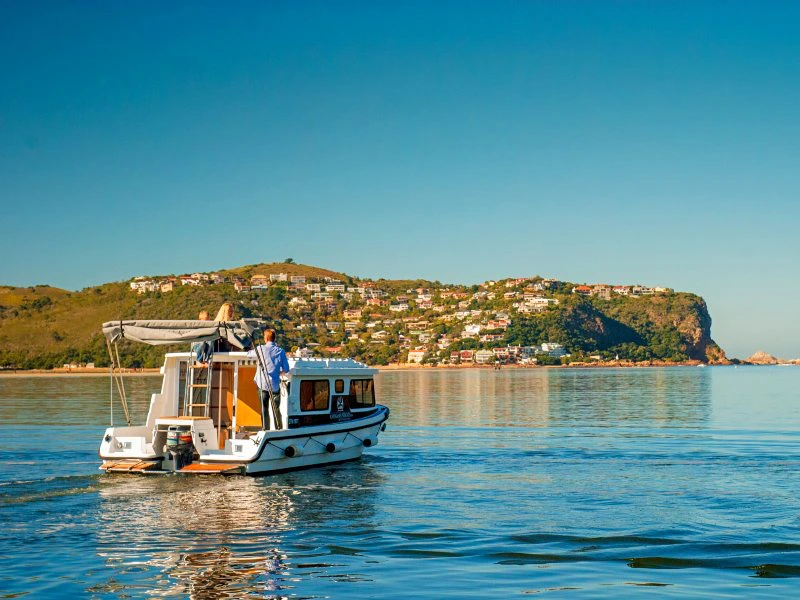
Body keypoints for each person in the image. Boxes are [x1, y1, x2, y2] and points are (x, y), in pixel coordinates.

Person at [247, 329, 290, 430]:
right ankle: (279, 429)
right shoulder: (281, 351)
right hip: (274, 385)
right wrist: (278, 372)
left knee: (264, 409)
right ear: (274, 338)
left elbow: (249, 354)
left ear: (265, 338)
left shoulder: (261, 349)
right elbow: (286, 369)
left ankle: (265, 429)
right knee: (276, 409)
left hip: (262, 384)